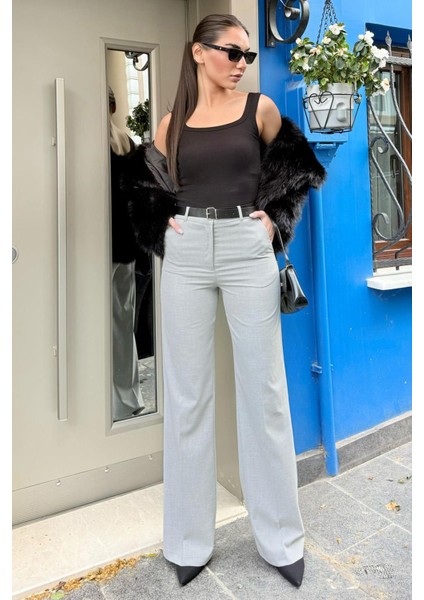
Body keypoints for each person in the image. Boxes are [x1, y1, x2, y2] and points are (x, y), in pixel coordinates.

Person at [121, 14, 326, 587]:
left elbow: (298, 169)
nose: (241, 63)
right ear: (198, 52)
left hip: (245, 247)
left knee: (265, 392)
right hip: (187, 252)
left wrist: (275, 221)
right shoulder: (172, 125)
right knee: (187, 396)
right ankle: (189, 542)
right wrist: (160, 227)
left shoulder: (258, 109)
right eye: (232, 52)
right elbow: (140, 187)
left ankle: (281, 538)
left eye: (247, 55)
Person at [109, 87, 145, 421]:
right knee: (122, 322)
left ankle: (112, 401)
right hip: (125, 247)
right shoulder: (127, 143)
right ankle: (127, 397)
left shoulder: (92, 145)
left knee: (104, 323)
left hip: (104, 247)